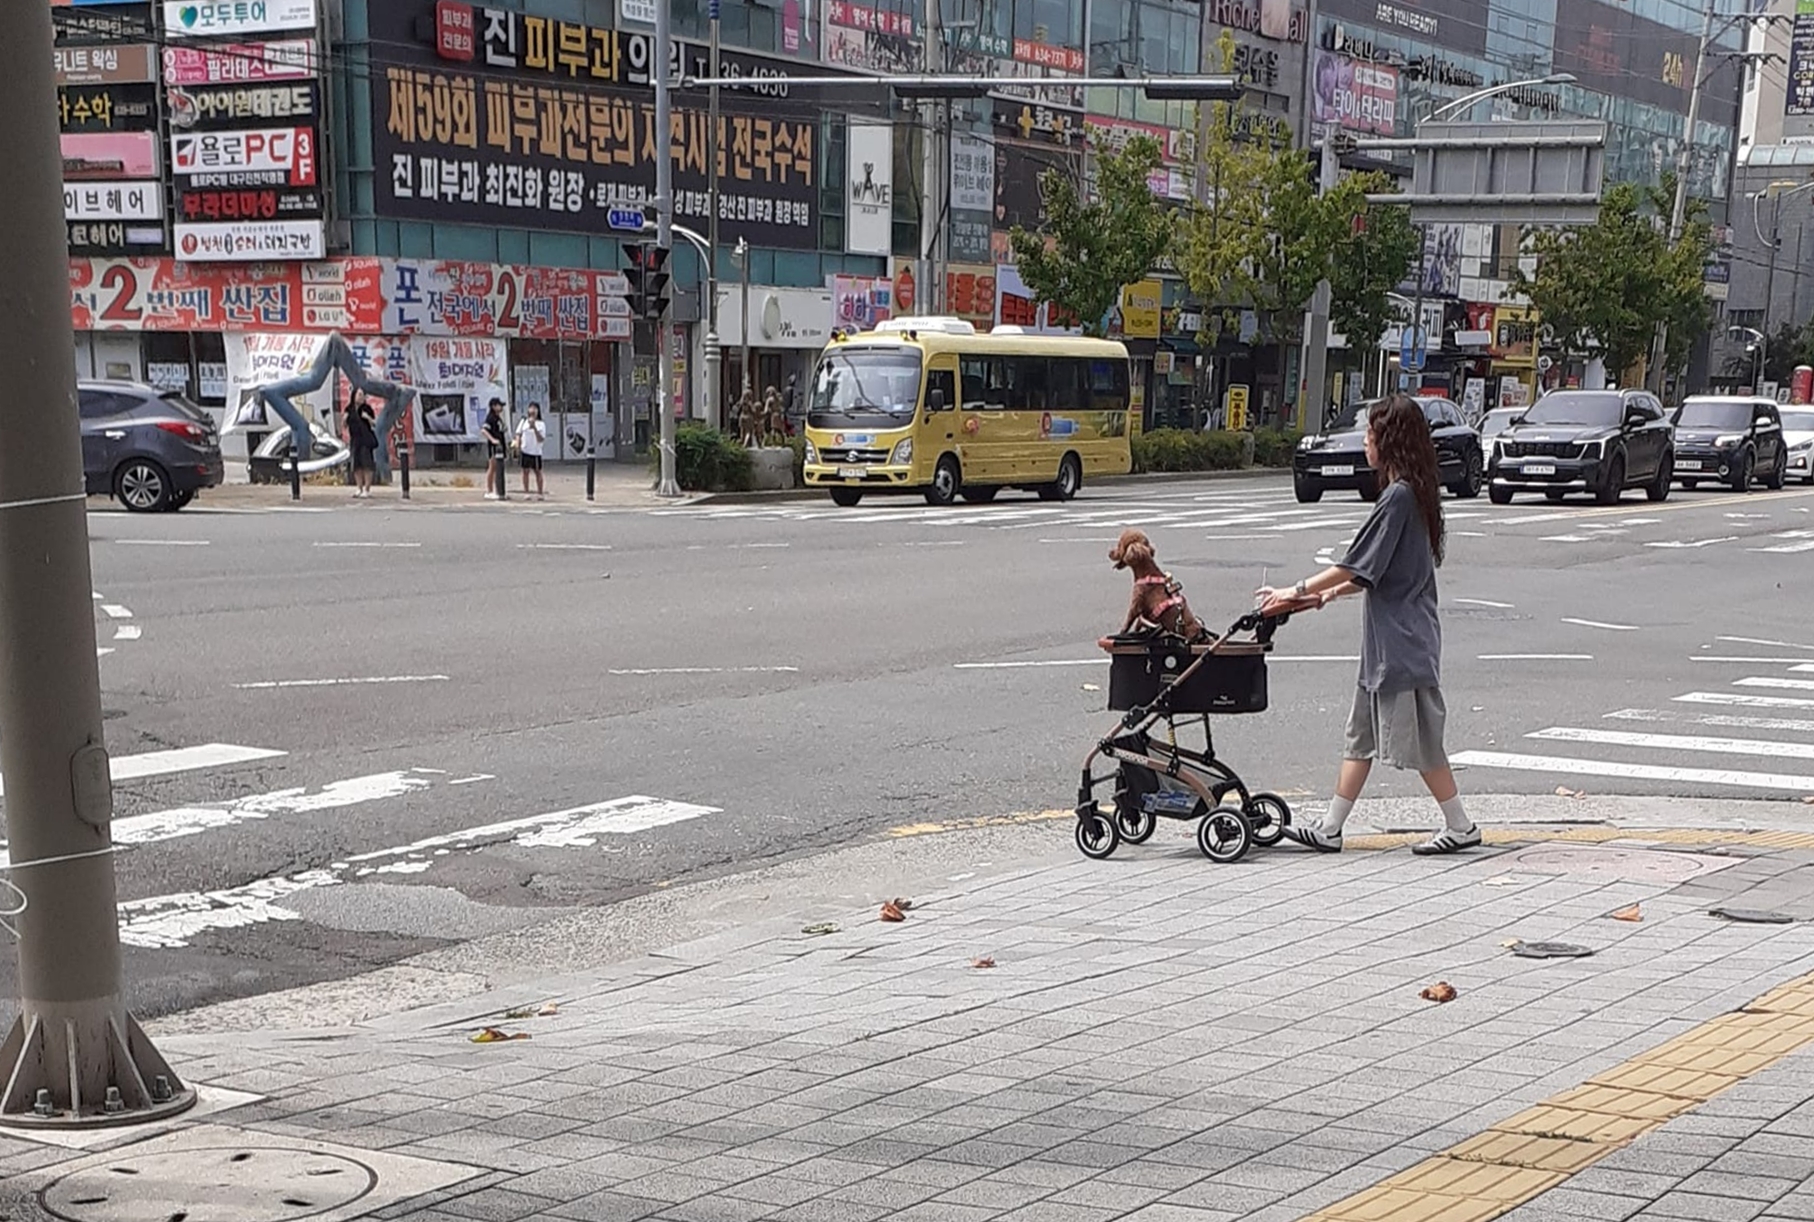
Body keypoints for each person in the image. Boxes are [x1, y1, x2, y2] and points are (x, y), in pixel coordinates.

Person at [1257, 394, 1478, 857]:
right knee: (1360, 735)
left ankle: (1460, 825)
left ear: (1389, 441)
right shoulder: (1411, 492)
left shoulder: (1398, 497)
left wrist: (1295, 591)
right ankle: (1331, 828)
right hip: (1386, 643)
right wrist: (1325, 596)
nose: (1364, 440)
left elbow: (1355, 565)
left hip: (1402, 643)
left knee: (1422, 741)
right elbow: (1375, 571)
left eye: (1371, 432)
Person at [346, 392, 378, 499]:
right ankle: (359, 488)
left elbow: (374, 423)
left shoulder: (367, 408)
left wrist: (367, 417)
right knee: (356, 465)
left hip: (365, 439)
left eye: (362, 395)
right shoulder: (349, 409)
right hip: (355, 439)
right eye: (359, 394)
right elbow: (344, 425)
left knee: (367, 464)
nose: (361, 397)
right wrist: (344, 419)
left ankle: (367, 489)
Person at [516, 402, 547, 499]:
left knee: (538, 472)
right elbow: (518, 433)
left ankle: (540, 493)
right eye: (531, 408)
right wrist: (518, 445)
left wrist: (534, 428)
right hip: (525, 450)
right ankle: (526, 492)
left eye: (535, 408)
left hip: (536, 452)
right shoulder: (524, 421)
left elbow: (541, 439)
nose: (533, 410)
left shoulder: (541, 424)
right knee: (525, 472)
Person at [482, 398, 507, 499]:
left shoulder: (498, 418)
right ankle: (489, 490)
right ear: (493, 406)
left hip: (501, 445)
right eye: (499, 405)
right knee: (492, 467)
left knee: (498, 468)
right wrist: (492, 439)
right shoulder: (490, 417)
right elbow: (484, 430)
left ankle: (498, 489)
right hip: (494, 447)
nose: (501, 407)